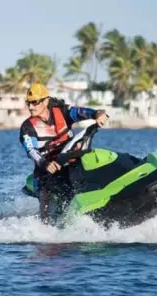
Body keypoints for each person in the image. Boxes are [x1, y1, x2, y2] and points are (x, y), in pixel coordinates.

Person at [19, 83, 108, 223]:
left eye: (34, 102)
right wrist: (45, 163)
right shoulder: (27, 127)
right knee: (46, 190)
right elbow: (31, 151)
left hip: (70, 163)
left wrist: (98, 114)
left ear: (46, 101)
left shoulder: (62, 112)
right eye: (28, 103)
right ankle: (45, 227)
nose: (31, 107)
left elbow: (83, 112)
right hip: (46, 172)